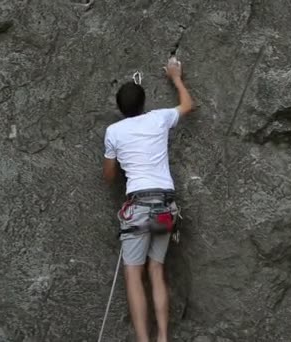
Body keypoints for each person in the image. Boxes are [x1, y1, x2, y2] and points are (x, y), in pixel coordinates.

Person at [102, 57, 193, 342]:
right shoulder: (159, 118)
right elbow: (188, 105)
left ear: (120, 109)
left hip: (138, 206)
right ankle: (163, 337)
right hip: (165, 205)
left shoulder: (114, 132)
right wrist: (176, 77)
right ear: (144, 102)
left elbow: (108, 176)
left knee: (133, 275)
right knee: (156, 269)